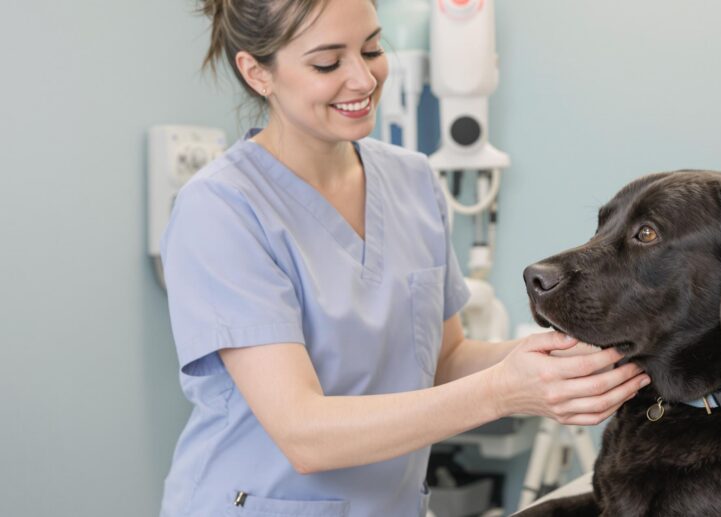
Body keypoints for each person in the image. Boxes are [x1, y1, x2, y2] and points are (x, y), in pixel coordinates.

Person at [159, 0, 651, 515]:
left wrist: (570, 355)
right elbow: (303, 434)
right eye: (327, 63)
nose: (363, 79)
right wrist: (502, 394)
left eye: (372, 48)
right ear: (257, 72)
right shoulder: (222, 209)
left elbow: (445, 359)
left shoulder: (412, 180)